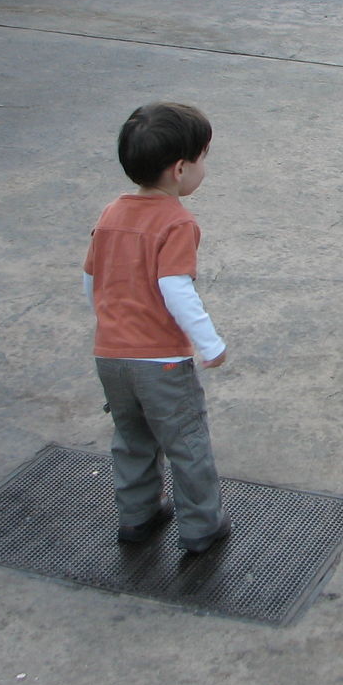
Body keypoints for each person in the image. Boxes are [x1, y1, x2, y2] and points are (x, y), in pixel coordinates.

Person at [83, 102, 232, 552]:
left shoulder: (111, 213)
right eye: (204, 158)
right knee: (186, 443)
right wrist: (210, 343)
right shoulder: (177, 221)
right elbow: (175, 287)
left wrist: (108, 323)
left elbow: (92, 277)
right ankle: (202, 526)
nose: (205, 166)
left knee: (132, 438)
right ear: (181, 169)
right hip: (160, 362)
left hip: (110, 356)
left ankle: (137, 515)